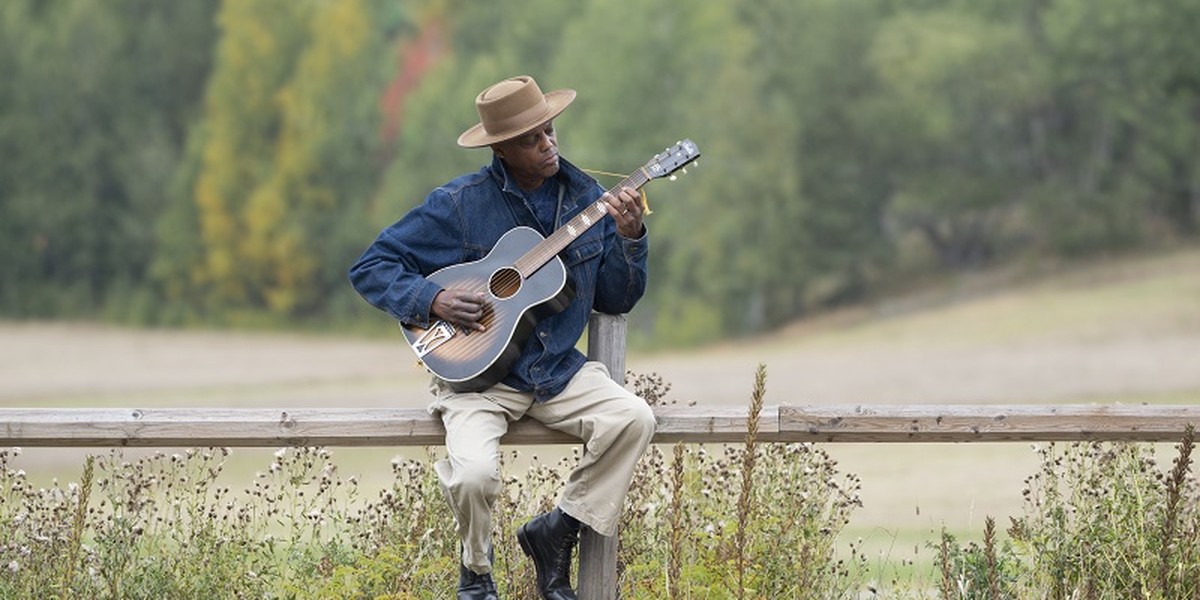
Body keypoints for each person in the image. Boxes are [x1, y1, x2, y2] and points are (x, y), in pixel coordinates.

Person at [349, 75, 657, 600]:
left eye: (550, 131)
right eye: (532, 139)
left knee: (635, 418)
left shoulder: (587, 200)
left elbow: (616, 298)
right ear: (501, 149)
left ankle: (557, 531)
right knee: (472, 476)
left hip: (556, 371)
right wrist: (431, 300)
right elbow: (372, 266)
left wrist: (630, 239)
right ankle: (476, 574)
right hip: (476, 381)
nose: (548, 144)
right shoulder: (460, 204)